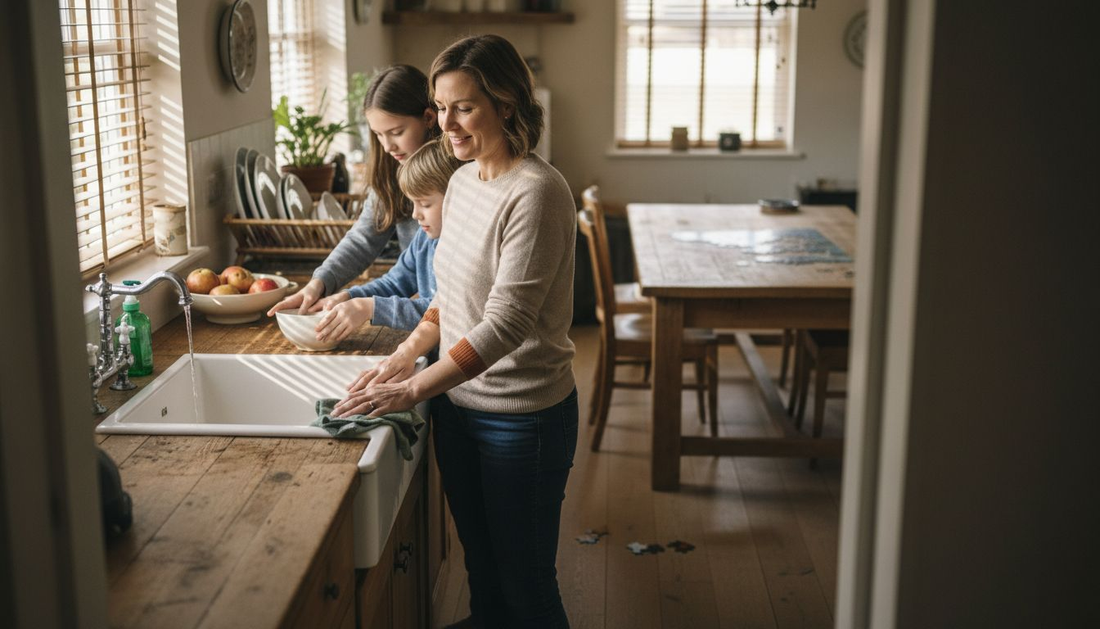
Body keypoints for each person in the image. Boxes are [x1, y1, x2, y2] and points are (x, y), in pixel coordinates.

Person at [331, 35, 578, 628]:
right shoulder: (464, 180)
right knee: (483, 575)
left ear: (507, 103)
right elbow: (449, 296)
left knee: (527, 589)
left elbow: (505, 325)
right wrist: (406, 358)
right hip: (458, 409)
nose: (447, 122)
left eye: (464, 106)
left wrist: (415, 389)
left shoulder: (537, 193)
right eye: (441, 107)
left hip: (521, 419)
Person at [268, 64, 439, 316]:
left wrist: (366, 306)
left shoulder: (454, 179)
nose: (388, 146)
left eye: (396, 132)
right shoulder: (392, 169)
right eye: (379, 134)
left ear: (428, 118)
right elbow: (365, 239)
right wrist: (320, 283)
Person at [312, 139, 461, 342]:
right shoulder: (424, 239)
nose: (416, 214)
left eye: (425, 204)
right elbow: (394, 282)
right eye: (413, 203)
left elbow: (444, 313)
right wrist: (349, 297)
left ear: (457, 199)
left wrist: (371, 308)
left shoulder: (465, 250)